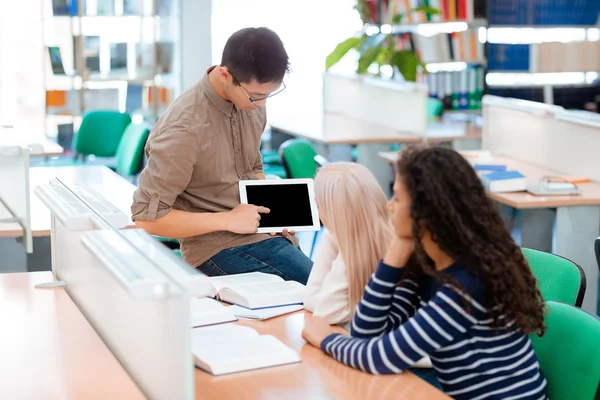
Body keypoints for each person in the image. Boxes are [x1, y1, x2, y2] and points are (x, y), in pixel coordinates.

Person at [302, 145, 548, 400]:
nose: (389, 207)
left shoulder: (467, 283)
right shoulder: (428, 266)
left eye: (397, 198)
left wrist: (326, 339)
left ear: (425, 212)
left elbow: (382, 357)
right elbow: (366, 334)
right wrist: (396, 253)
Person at [131, 27, 313, 284]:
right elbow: (147, 219)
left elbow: (253, 164)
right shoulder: (184, 128)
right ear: (225, 74)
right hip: (216, 247)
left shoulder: (250, 102)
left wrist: (277, 214)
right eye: (256, 96)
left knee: (329, 287)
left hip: (263, 234)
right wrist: (228, 220)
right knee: (326, 292)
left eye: (268, 96)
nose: (261, 105)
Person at [304, 162, 394, 328]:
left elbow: (325, 314)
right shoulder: (335, 234)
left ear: (332, 210)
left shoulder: (395, 245)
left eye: (318, 205)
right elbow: (311, 298)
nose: (318, 211)